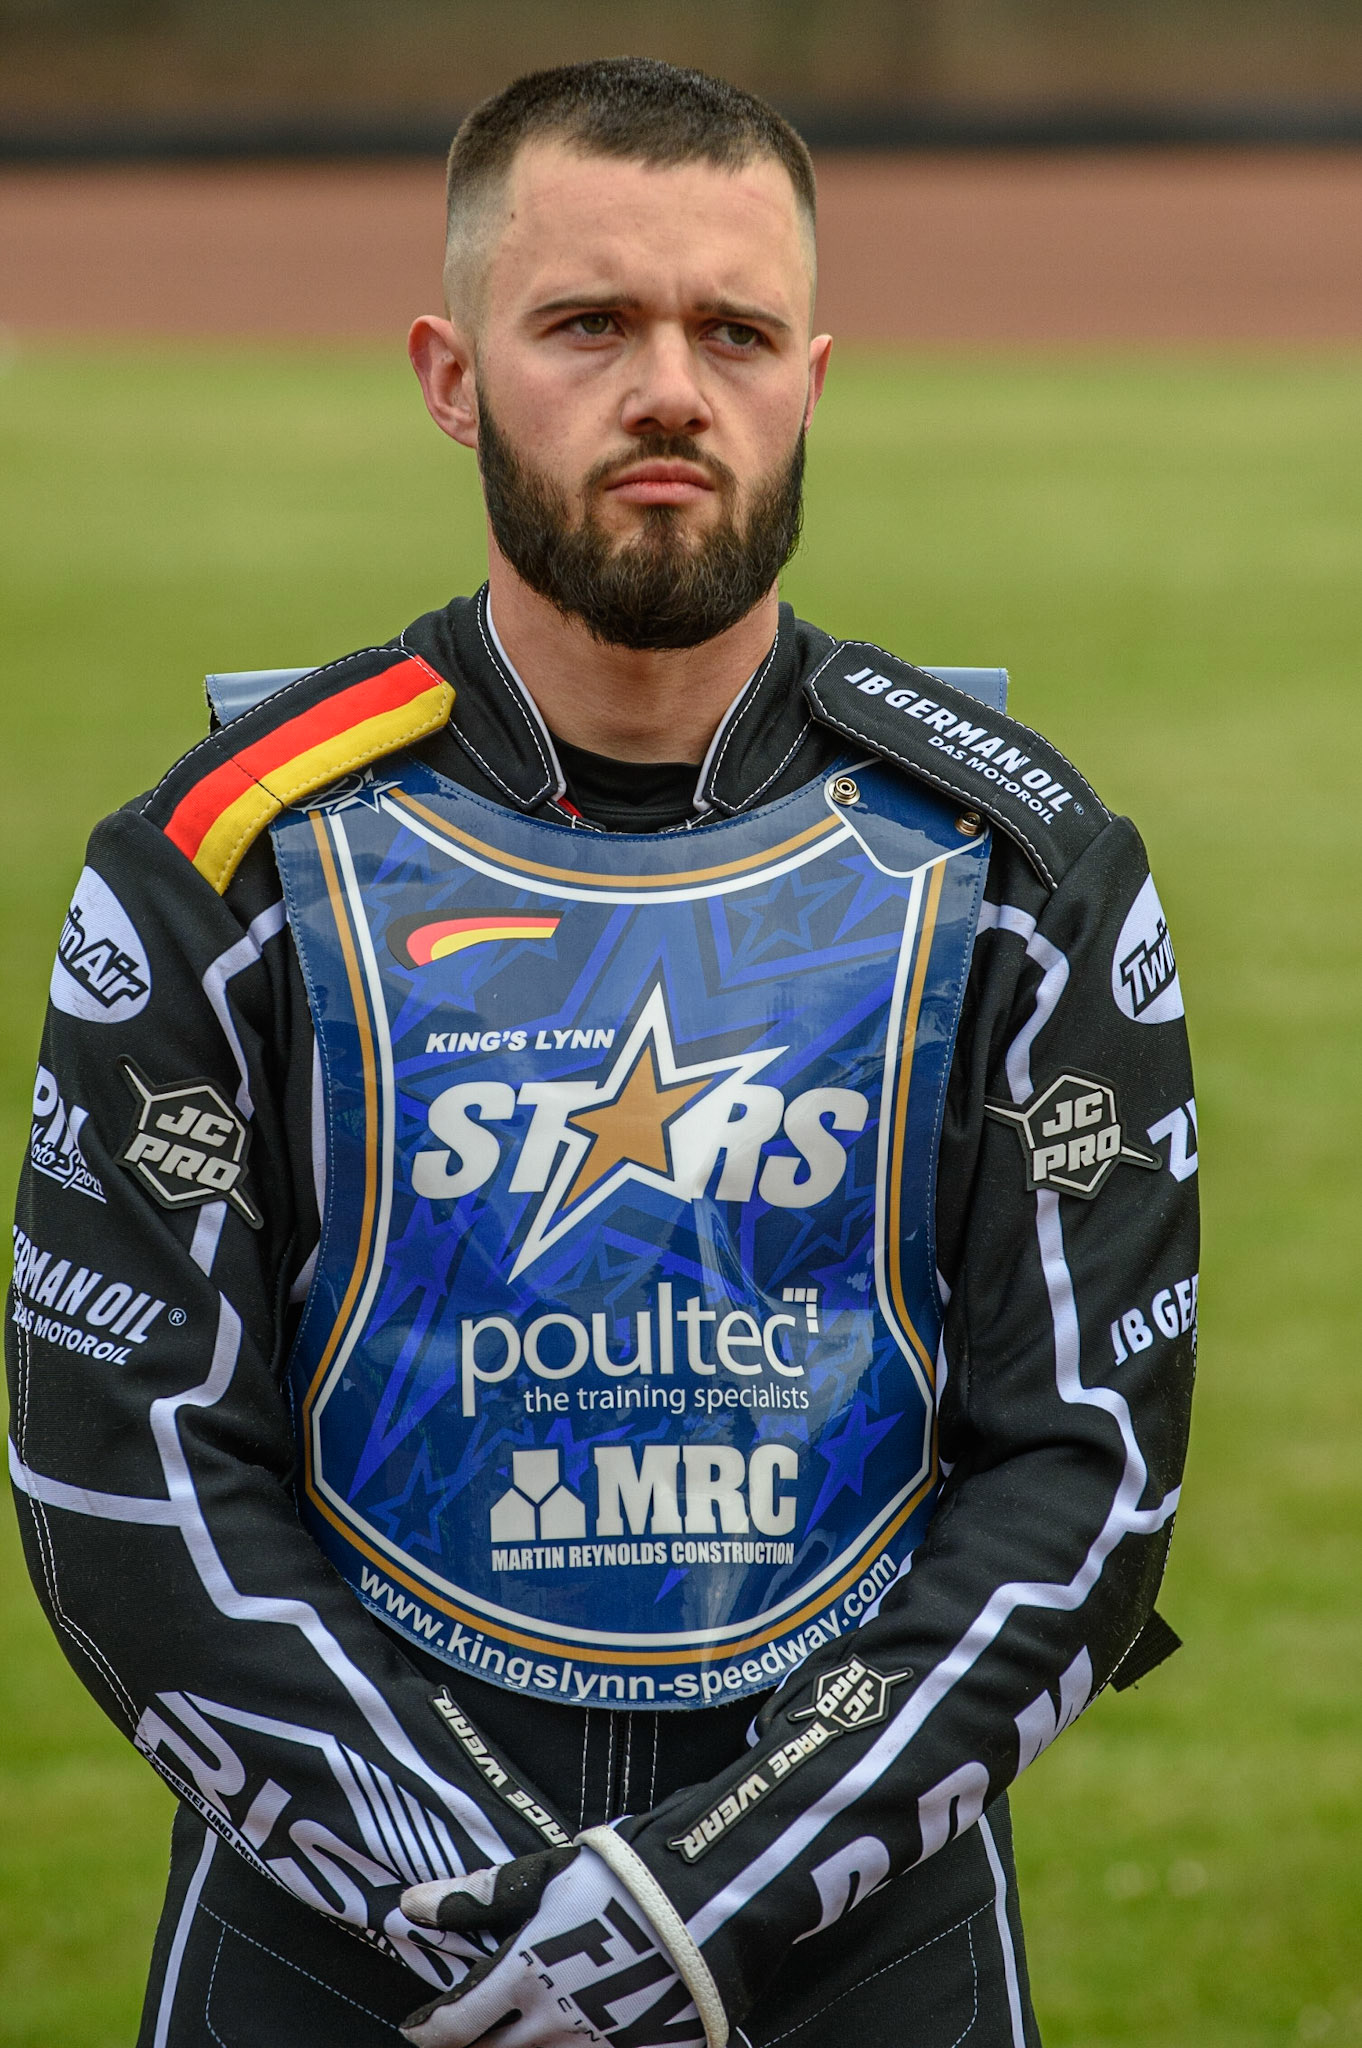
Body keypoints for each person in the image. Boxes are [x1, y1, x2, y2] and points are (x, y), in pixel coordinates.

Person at [6, 57, 1198, 2048]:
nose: (671, 387)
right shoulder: (226, 862)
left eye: (733, 329)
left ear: (813, 373)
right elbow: (122, 1473)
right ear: (452, 373)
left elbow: (1080, 1477)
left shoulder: (1019, 865)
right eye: (588, 324)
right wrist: (474, 1906)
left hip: (855, 1947)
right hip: (340, 1957)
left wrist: (690, 1899)